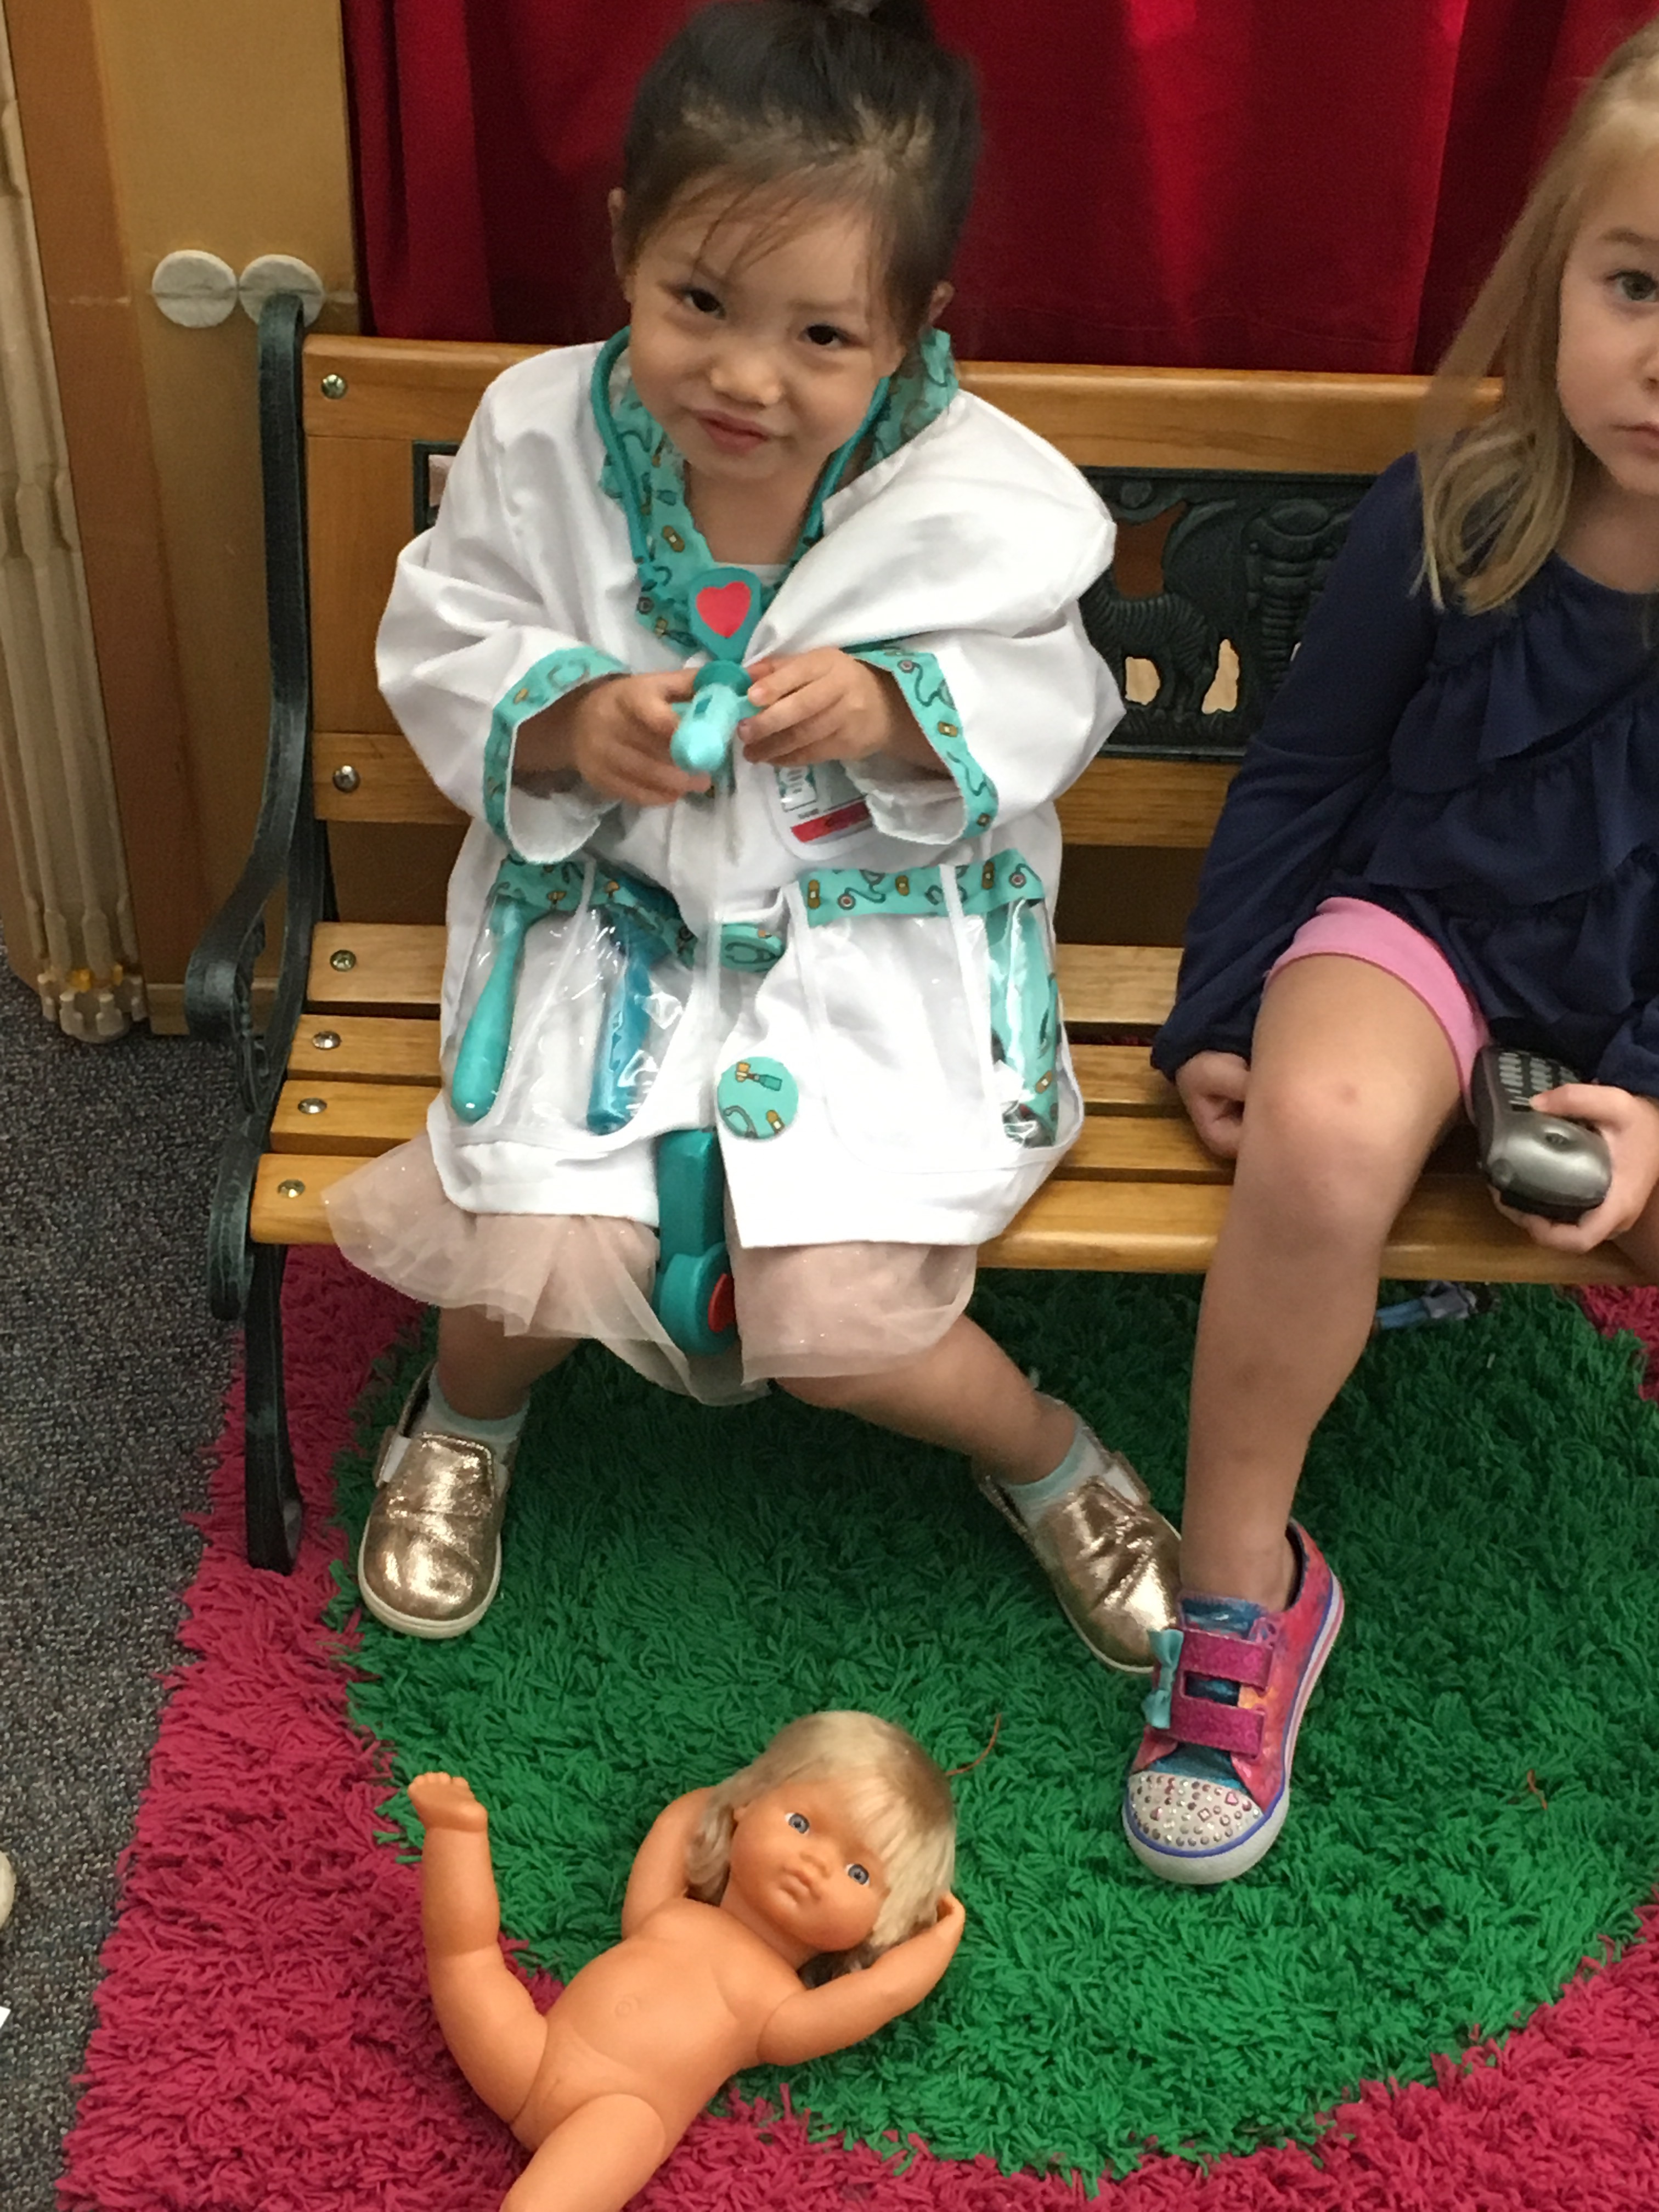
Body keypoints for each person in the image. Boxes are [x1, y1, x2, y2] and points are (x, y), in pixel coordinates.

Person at [326, 0, 1178, 1660]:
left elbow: (1056, 699)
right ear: (626, 247)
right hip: (611, 934)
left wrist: (897, 711)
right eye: (700, 303)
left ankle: (1049, 1457)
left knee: (839, 1316)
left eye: (821, 335)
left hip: (872, 956)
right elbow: (446, 633)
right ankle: (463, 1422)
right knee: (531, 1248)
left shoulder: (985, 496)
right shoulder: (534, 438)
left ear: (913, 330)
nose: (744, 376)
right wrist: (567, 719)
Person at [1127, 19, 1659, 1887]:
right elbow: (1306, 771)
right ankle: (1237, 1590)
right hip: (1417, 923)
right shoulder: (1457, 504)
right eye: (1636, 284)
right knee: (1325, 1128)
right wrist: (1219, 1006)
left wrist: (1650, 1097)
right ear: (1555, 279)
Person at [410, 1713, 962, 2211]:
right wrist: (719, 1799)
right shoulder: (665, 1912)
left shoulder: (779, 2010)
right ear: (749, 1804)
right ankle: (457, 1835)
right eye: (800, 1823)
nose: (816, 1863)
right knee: (466, 1959)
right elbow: (675, 1829)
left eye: (858, 1873)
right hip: (530, 2048)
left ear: (882, 1925)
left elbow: (880, 1993)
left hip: (616, 2115)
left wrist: (936, 1944)